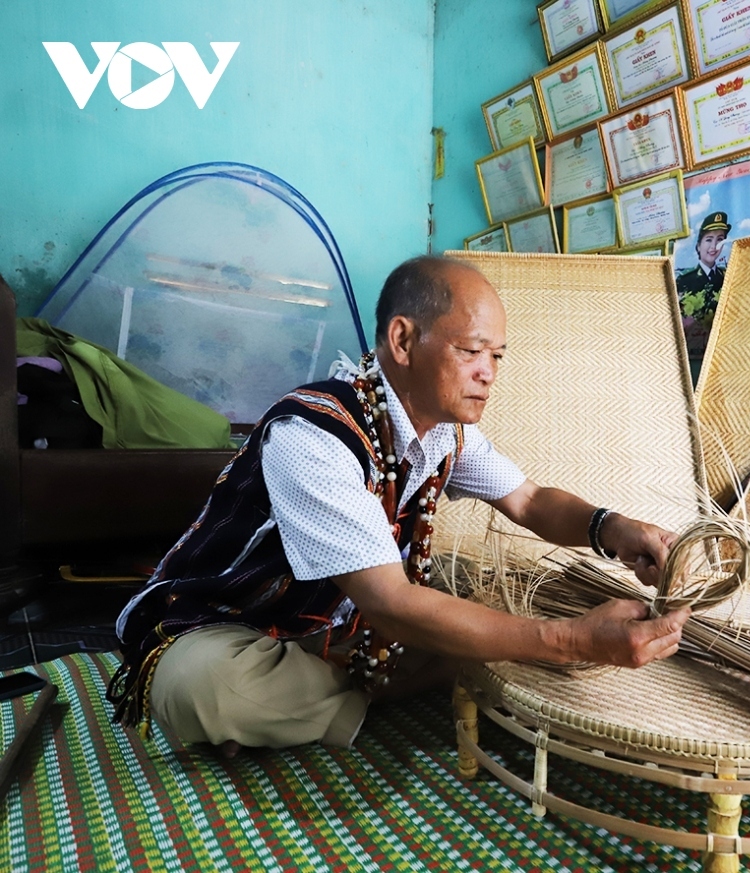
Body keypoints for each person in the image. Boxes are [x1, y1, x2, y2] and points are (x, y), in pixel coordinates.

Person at [106, 255, 689, 756]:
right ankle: (366, 689)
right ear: (403, 340)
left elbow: (530, 500)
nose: (488, 374)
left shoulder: (444, 432)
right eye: (471, 351)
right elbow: (389, 602)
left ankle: (316, 702)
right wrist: (572, 641)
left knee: (470, 606)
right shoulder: (313, 434)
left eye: (498, 357)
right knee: (206, 689)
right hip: (227, 627)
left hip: (338, 630)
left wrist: (613, 528)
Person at [674, 211, 730, 358]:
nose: (714, 246)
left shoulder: (729, 278)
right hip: (691, 355)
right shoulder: (683, 281)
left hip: (723, 355)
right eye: (709, 239)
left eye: (720, 240)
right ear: (698, 246)